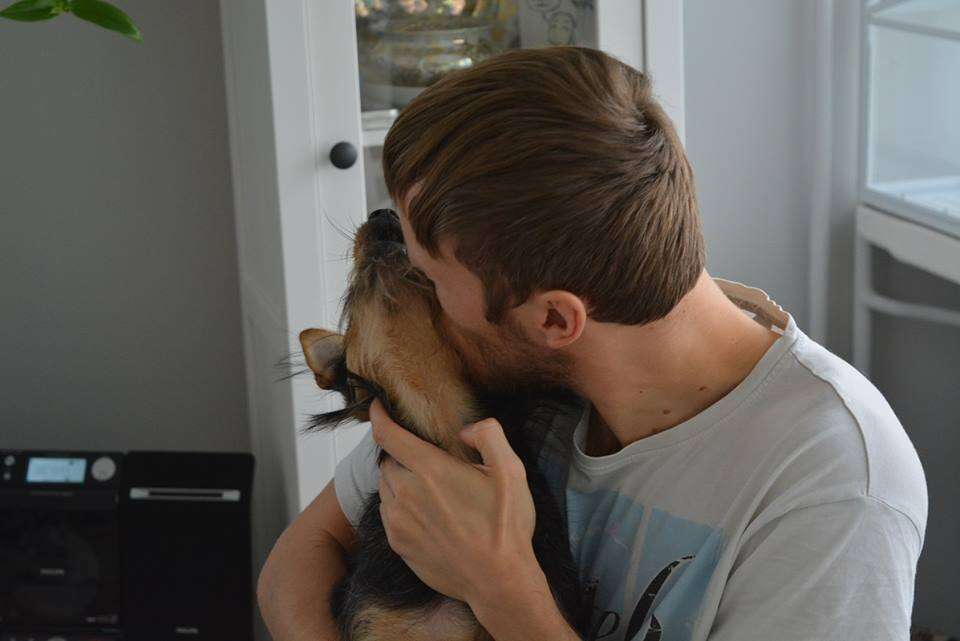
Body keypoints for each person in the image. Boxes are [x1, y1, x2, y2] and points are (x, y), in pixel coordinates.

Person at [256, 46, 928, 641]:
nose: (418, 294)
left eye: (429, 277)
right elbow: (300, 556)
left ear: (553, 319)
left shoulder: (833, 488)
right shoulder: (508, 372)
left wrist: (506, 592)